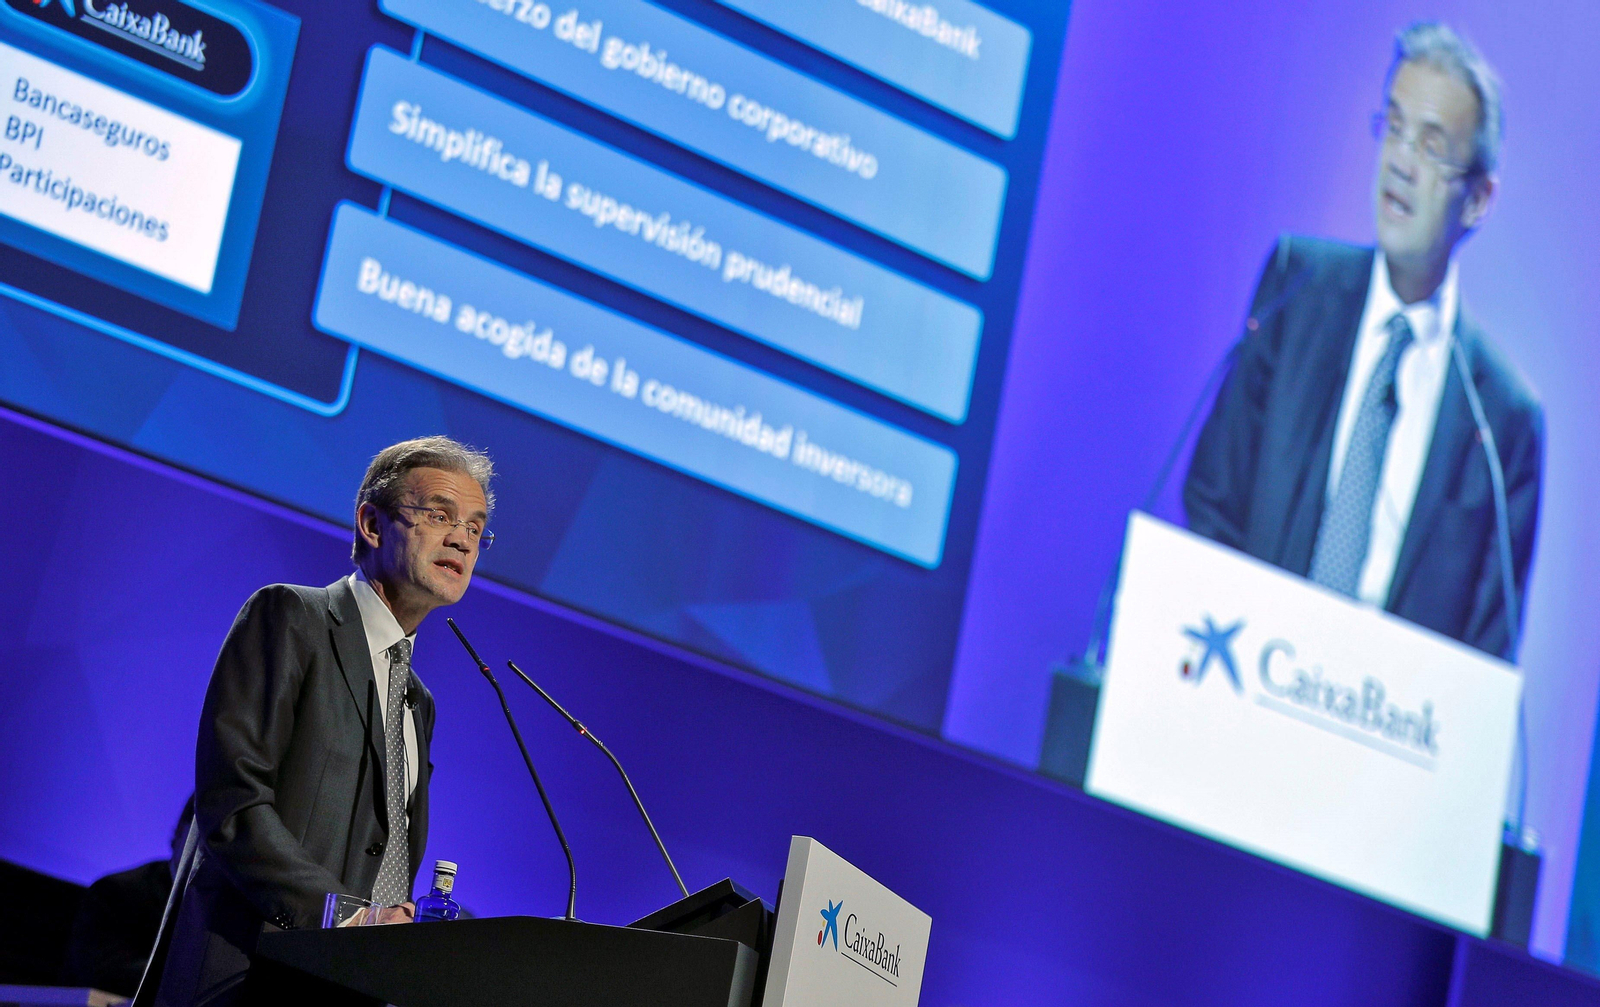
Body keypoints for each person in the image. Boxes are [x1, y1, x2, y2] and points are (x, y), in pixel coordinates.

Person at [1184, 22, 1542, 661]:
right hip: (1245, 689)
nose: (1401, 162)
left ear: (1479, 199)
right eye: (1395, 128)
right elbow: (1214, 498)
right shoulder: (1296, 289)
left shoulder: (1503, 423)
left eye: (1432, 146)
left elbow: (1485, 651)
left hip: (1386, 732)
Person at [141, 437, 495, 1007]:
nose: (461, 538)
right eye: (439, 515)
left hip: (343, 989)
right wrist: (346, 921)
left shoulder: (418, 700)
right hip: (245, 978)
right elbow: (234, 804)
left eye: (476, 529)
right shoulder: (290, 617)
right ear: (372, 524)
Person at [62, 799, 194, 997]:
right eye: (205, 837)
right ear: (180, 832)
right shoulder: (116, 892)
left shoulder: (228, 908)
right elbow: (103, 973)